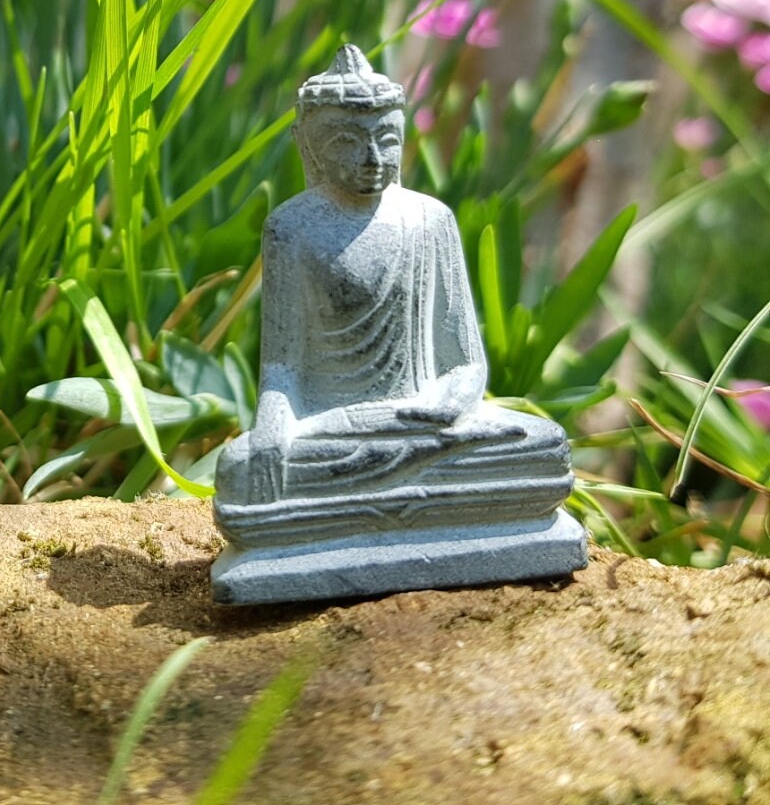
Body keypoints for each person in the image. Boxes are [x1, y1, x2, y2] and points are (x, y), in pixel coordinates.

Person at [212, 46, 585, 600]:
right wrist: (271, 432)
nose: (370, 157)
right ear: (308, 147)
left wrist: (449, 404)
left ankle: (383, 512)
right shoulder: (292, 228)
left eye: (385, 139)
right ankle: (382, 511)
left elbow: (464, 362)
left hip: (428, 421)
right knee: (245, 469)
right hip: (335, 426)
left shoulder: (431, 220)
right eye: (346, 141)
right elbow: (284, 368)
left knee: (544, 444)